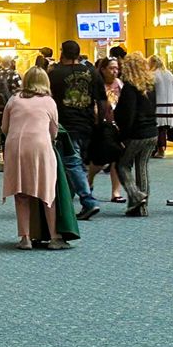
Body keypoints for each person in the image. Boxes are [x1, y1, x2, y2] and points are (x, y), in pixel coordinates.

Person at [1, 67, 70, 251]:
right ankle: (54, 237)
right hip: (40, 146)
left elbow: (4, 128)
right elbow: (54, 132)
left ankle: (25, 238)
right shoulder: (49, 102)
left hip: (15, 147)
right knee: (47, 191)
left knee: (21, 193)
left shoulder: (14, 100)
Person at [48, 40, 110, 221]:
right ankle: (67, 201)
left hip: (66, 124)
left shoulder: (55, 74)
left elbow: (49, 99)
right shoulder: (91, 72)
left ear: (62, 53)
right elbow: (102, 100)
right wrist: (101, 122)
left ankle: (88, 200)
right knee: (76, 162)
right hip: (88, 122)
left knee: (71, 162)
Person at [115, 53, 158, 217]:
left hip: (137, 134)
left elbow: (128, 115)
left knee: (122, 165)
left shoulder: (129, 88)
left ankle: (136, 195)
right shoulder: (149, 86)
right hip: (152, 131)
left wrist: (121, 136)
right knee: (142, 167)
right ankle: (142, 207)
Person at [88, 57, 124, 203]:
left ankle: (116, 192)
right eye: (111, 68)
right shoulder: (97, 84)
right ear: (103, 69)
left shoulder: (119, 84)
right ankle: (89, 179)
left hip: (117, 125)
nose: (115, 71)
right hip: (100, 125)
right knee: (100, 161)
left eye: (116, 68)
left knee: (117, 159)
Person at [0, 58, 21, 164]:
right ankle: (9, 156)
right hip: (12, 106)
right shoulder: (14, 74)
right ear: (11, 64)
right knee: (12, 130)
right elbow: (20, 89)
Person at [149, 54, 173, 158]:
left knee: (157, 128)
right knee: (163, 129)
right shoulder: (169, 74)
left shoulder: (152, 75)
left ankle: (159, 150)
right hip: (168, 105)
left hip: (157, 105)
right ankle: (162, 149)